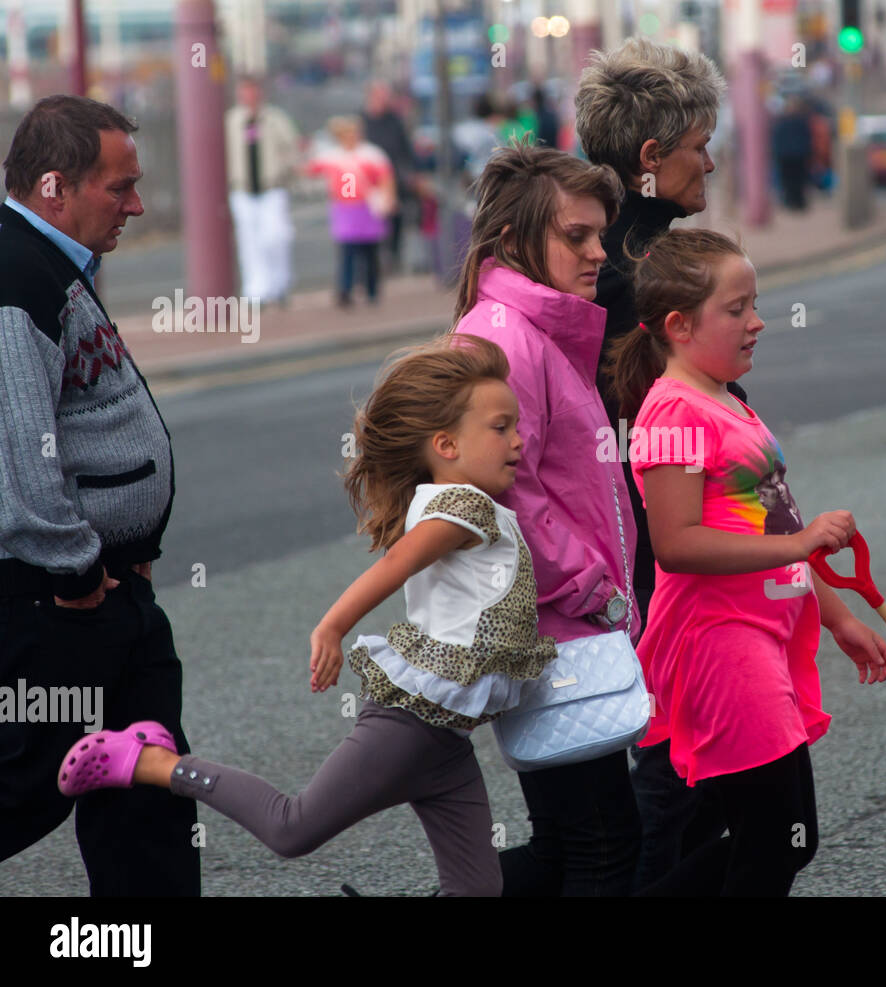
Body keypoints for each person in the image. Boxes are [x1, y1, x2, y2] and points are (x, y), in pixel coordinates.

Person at [56, 334, 556, 897]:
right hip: (412, 727)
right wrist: (332, 627)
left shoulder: (474, 505)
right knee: (290, 828)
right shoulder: (461, 508)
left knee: (477, 891)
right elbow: (395, 565)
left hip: (446, 739)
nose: (519, 438)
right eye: (501, 427)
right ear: (445, 444)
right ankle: (151, 762)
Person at [605, 228, 886, 895]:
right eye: (736, 309)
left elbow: (777, 518)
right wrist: (799, 547)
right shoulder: (673, 412)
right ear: (679, 325)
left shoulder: (726, 397)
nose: (757, 322)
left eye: (754, 304)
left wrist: (837, 616)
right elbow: (676, 543)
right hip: (720, 646)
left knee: (784, 838)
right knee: (771, 843)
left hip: (760, 635)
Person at [0, 95, 200, 895]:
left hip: (114, 591)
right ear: (56, 186)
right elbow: (17, 452)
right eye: (119, 188)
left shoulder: (52, 264)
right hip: (60, 601)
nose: (137, 205)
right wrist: (77, 571)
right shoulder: (15, 277)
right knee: (24, 786)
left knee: (148, 787)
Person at [450, 143, 643, 896]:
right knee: (604, 845)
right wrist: (596, 587)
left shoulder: (534, 329)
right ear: (514, 243)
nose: (598, 252)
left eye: (600, 234)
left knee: (568, 844)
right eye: (576, 236)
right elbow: (502, 493)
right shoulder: (503, 337)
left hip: (563, 619)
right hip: (558, 622)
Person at [574, 35, 738, 889]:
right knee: (675, 784)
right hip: (659, 544)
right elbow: (684, 420)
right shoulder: (641, 270)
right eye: (698, 144)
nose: (710, 159)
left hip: (631, 539)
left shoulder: (590, 246)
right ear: (650, 156)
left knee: (656, 788)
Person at [305, 115, 396, 307]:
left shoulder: (372, 155)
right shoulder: (332, 156)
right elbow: (310, 169)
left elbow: (385, 178)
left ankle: (371, 289)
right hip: (345, 209)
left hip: (367, 208)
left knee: (369, 252)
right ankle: (345, 290)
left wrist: (388, 198)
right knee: (348, 251)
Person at [225, 76, 300, 305]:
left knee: (276, 236)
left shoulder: (275, 119)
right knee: (249, 241)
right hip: (243, 189)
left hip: (272, 187)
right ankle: (256, 289)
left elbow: (292, 148)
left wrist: (287, 171)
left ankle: (280, 284)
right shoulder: (232, 120)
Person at [362, 80, 418, 271]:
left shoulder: (394, 121)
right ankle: (371, 262)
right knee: (368, 224)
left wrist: (409, 173)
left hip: (392, 180)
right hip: (368, 182)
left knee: (395, 221)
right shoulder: (362, 121)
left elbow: (404, 149)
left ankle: (392, 258)